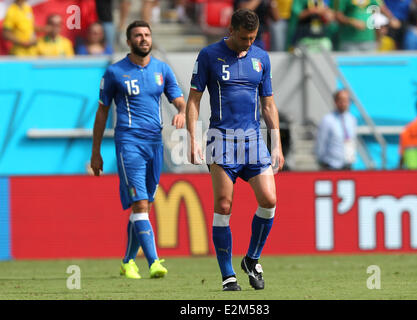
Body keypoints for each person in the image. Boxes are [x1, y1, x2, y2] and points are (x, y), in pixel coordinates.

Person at [186, 8, 284, 291]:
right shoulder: (208, 56)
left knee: (268, 200)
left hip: (253, 140)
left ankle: (252, 259)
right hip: (221, 140)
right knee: (224, 205)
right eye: (244, 38)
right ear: (231, 31)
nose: (248, 43)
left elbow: (268, 104)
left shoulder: (261, 57)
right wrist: (192, 138)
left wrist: (275, 144)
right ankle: (228, 275)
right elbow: (194, 100)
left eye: (253, 38)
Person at [90, 20, 186, 279]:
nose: (143, 39)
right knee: (140, 203)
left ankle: (127, 261)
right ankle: (154, 262)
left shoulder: (162, 69)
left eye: (147, 34)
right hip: (129, 143)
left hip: (155, 144)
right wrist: (96, 151)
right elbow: (102, 112)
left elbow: (178, 98)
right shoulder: (115, 72)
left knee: (144, 207)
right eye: (138, 35)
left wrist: (181, 110)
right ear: (128, 41)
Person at [334, 0, 400, 52]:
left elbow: (381, 7)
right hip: (349, 40)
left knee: (369, 67)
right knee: (352, 67)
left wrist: (391, 18)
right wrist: (351, 22)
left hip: (369, 39)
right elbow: (337, 15)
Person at [315, 89, 357, 170]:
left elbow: (352, 139)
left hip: (347, 164)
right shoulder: (328, 120)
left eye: (346, 100)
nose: (344, 103)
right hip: (331, 165)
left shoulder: (351, 119)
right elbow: (321, 142)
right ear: (336, 101)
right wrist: (322, 161)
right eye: (341, 100)